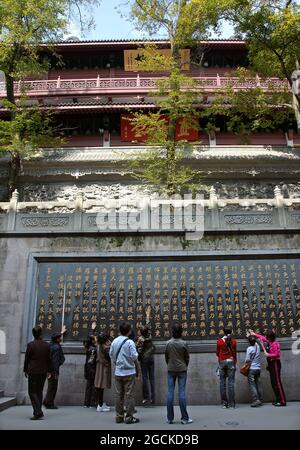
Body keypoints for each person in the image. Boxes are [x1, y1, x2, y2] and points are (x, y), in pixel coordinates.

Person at [110, 321, 140, 424]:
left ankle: (119, 417)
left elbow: (111, 355)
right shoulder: (130, 342)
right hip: (129, 372)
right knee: (129, 395)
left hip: (118, 372)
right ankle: (129, 417)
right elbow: (135, 357)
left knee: (118, 395)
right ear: (128, 331)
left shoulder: (114, 341)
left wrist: (117, 364)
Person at [249, 329, 286, 406]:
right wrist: (254, 334)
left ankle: (282, 401)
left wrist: (267, 354)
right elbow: (262, 337)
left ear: (270, 338)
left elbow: (277, 354)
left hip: (275, 363)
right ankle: (278, 399)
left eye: (267, 337)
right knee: (273, 383)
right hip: (271, 364)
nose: (266, 339)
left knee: (277, 382)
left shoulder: (275, 344)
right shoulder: (269, 342)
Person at [165, 323, 192, 425]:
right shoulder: (184, 343)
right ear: (181, 332)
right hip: (182, 370)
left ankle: (170, 418)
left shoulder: (168, 343)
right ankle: (184, 418)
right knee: (181, 393)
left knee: (170, 393)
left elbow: (166, 357)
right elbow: (187, 358)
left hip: (171, 369)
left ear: (172, 332)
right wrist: (184, 366)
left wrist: (170, 364)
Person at [24, 326, 53, 420]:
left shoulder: (30, 345)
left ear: (33, 334)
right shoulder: (47, 345)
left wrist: (25, 370)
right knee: (39, 391)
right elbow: (49, 359)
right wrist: (49, 370)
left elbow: (27, 359)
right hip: (43, 371)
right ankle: (37, 411)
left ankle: (38, 412)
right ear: (41, 333)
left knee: (32, 391)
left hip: (33, 371)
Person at [43, 326, 66, 409]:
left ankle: (46, 401)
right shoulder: (57, 347)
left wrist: (62, 332)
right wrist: (55, 371)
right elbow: (56, 361)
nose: (61, 339)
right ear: (57, 339)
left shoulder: (50, 345)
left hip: (48, 370)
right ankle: (49, 403)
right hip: (53, 371)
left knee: (50, 386)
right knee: (53, 388)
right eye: (60, 338)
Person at [216, 327, 237, 408]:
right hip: (231, 362)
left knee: (222, 383)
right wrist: (235, 363)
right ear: (231, 332)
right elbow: (234, 353)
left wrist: (222, 357)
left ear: (223, 332)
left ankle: (224, 403)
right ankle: (232, 404)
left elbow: (217, 353)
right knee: (231, 383)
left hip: (222, 362)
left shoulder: (220, 341)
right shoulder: (234, 341)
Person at [137, 325, 156, 406]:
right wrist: (147, 316)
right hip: (151, 358)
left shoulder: (141, 339)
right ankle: (153, 398)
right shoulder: (150, 336)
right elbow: (149, 328)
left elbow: (140, 351)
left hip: (144, 359)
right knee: (152, 378)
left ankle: (146, 397)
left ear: (141, 332)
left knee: (145, 378)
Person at [94, 333, 112, 412]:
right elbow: (109, 355)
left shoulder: (99, 344)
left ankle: (100, 403)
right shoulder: (105, 347)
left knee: (100, 385)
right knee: (101, 385)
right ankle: (100, 405)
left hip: (100, 365)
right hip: (103, 366)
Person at [245, 334, 263, 407]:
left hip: (252, 369)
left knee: (252, 385)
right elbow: (256, 341)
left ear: (249, 342)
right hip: (258, 369)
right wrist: (251, 335)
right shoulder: (257, 347)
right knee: (258, 384)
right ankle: (260, 399)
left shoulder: (249, 349)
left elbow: (247, 360)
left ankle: (256, 400)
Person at [83, 334, 97, 408]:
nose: (96, 339)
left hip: (88, 368)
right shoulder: (93, 349)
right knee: (93, 386)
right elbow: (91, 360)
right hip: (92, 369)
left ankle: (86, 403)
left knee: (88, 386)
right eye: (94, 338)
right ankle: (92, 402)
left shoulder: (88, 347)